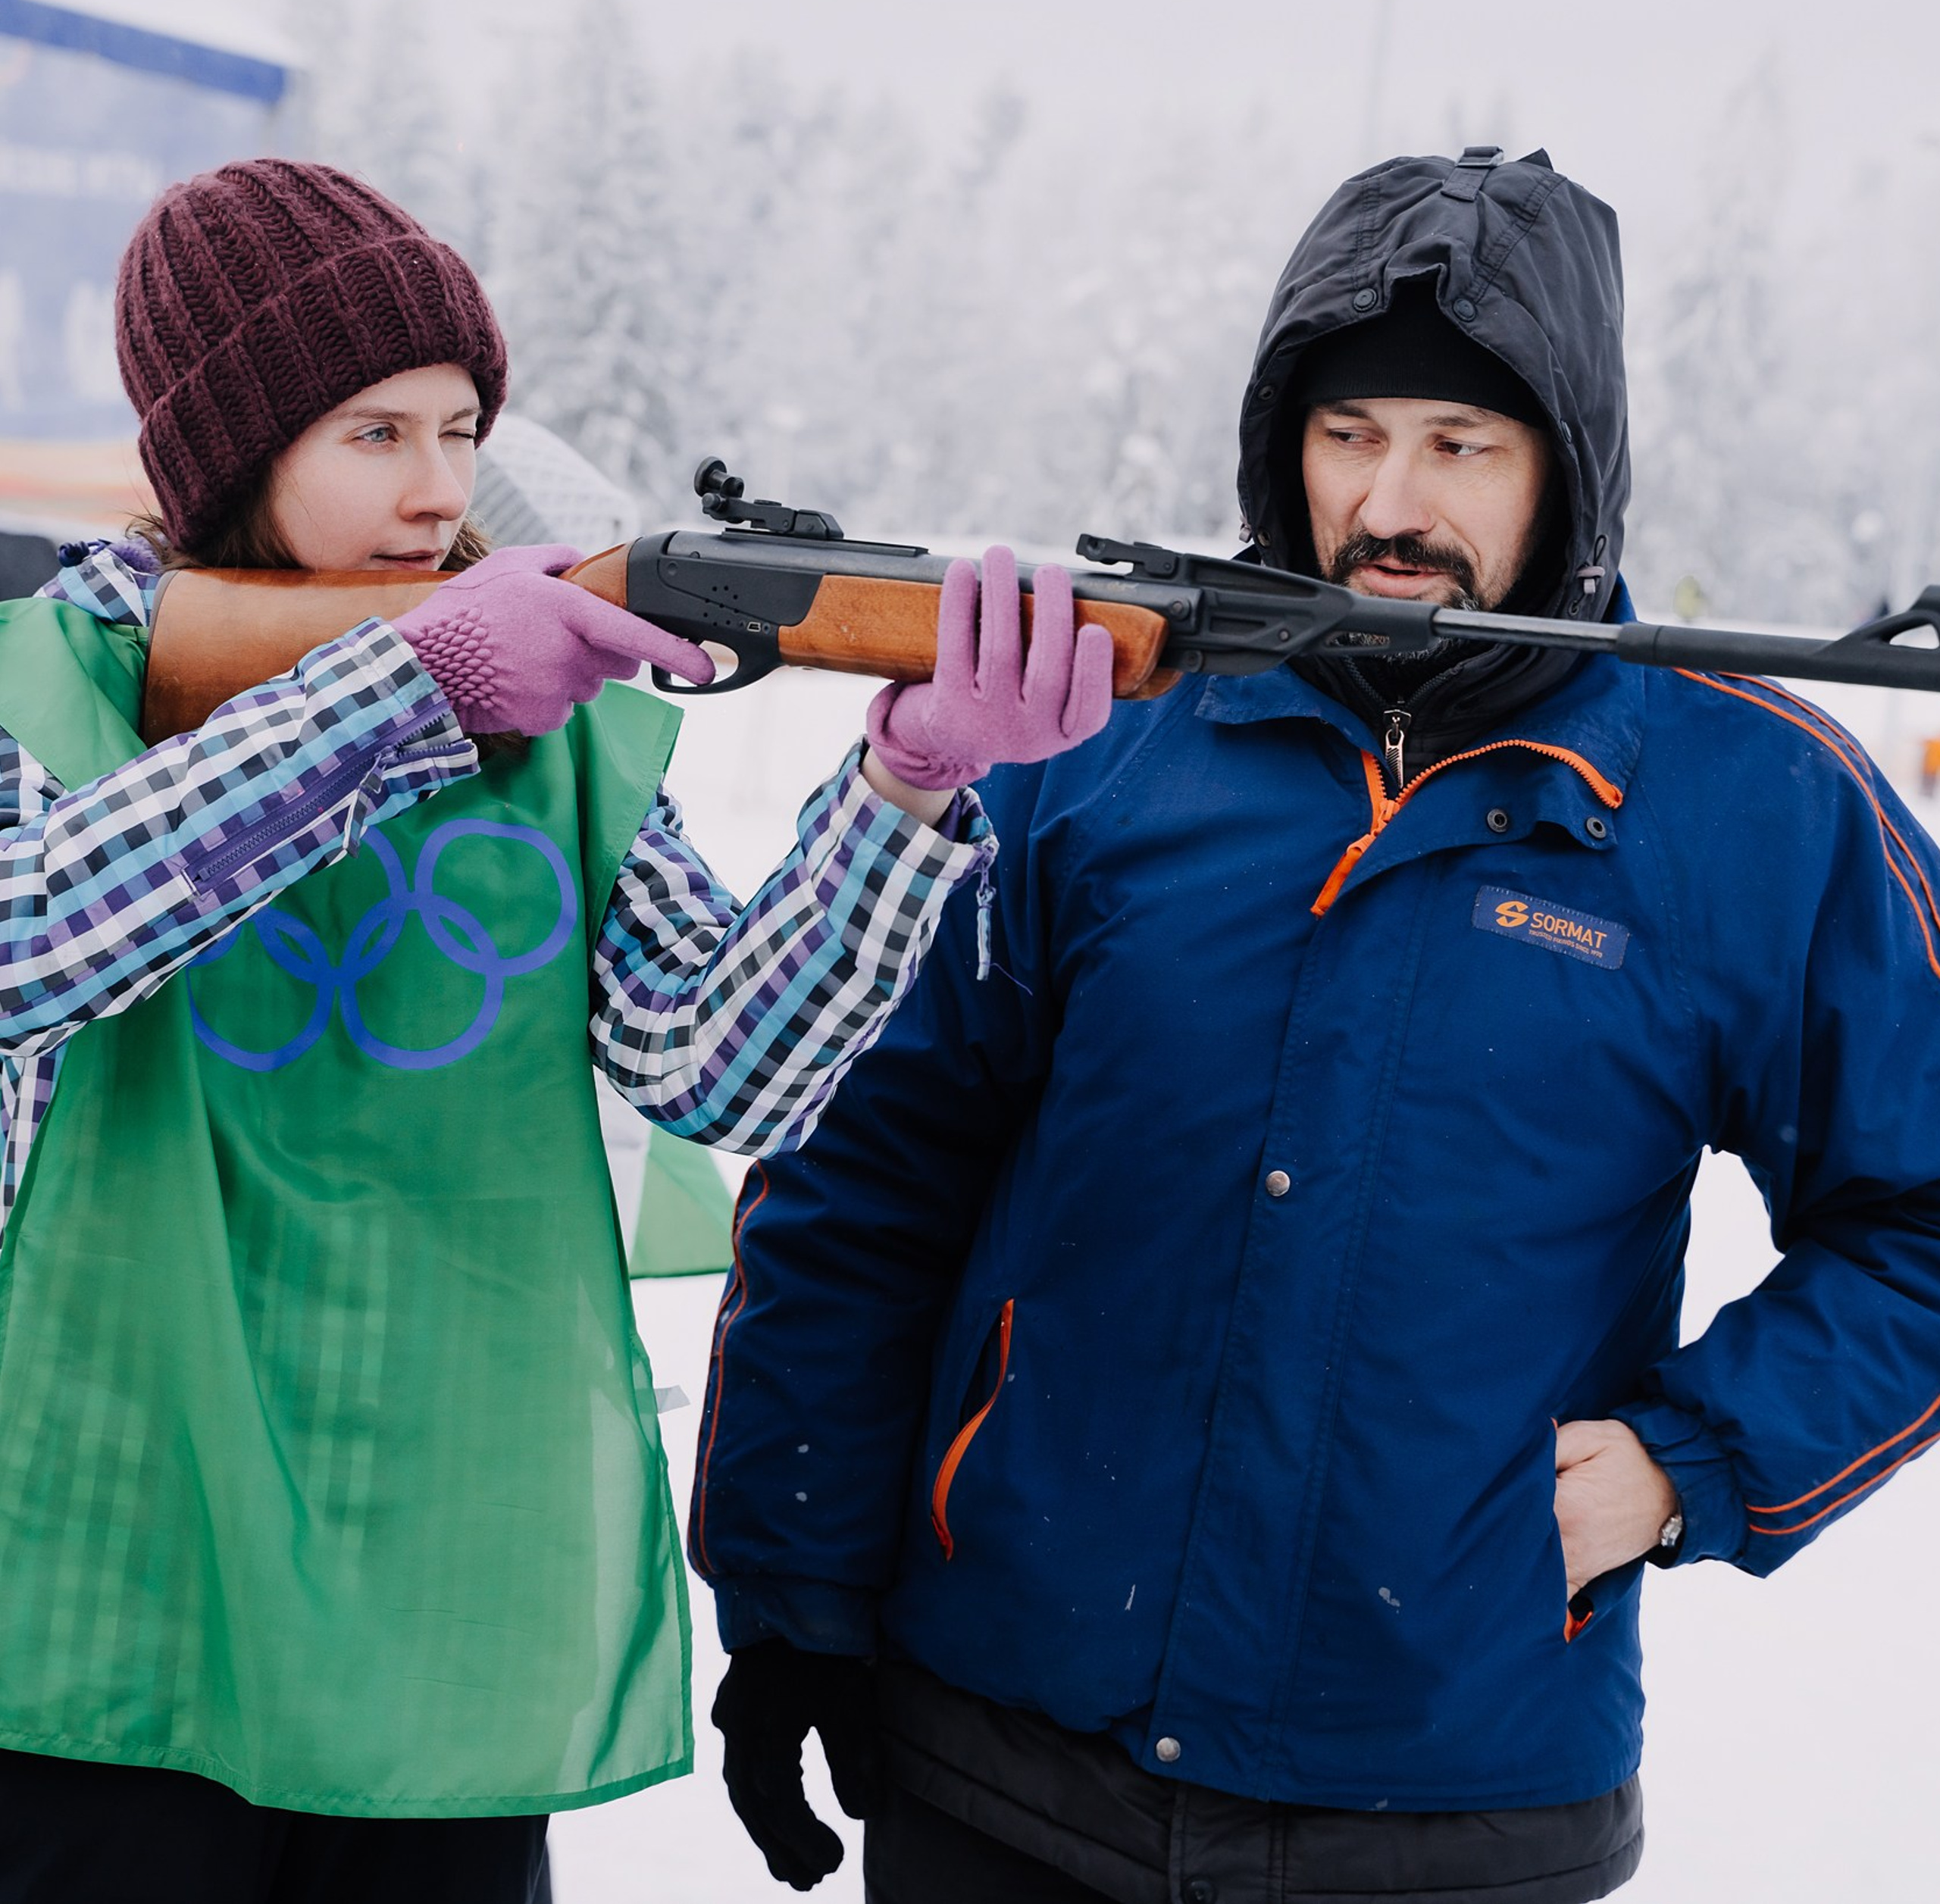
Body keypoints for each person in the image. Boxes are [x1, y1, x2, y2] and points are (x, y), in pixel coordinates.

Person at [691, 145, 1940, 1904]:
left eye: (1458, 444)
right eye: (1346, 435)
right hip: (1004, 1754)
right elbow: (862, 1168)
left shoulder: (1753, 806)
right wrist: (795, 1592)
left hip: (1445, 1799)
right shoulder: (1096, 739)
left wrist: (1689, 1458)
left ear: (1568, 471)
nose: (1387, 501)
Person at [0, 158, 1112, 1903]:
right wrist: (410, 689)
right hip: (95, 1607)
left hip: (440, 1616)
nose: (441, 489)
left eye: (460, 428)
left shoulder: (551, 714)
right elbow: (30, 935)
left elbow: (718, 1065)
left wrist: (906, 782)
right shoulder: (44, 675)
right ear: (227, 452)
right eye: (374, 433)